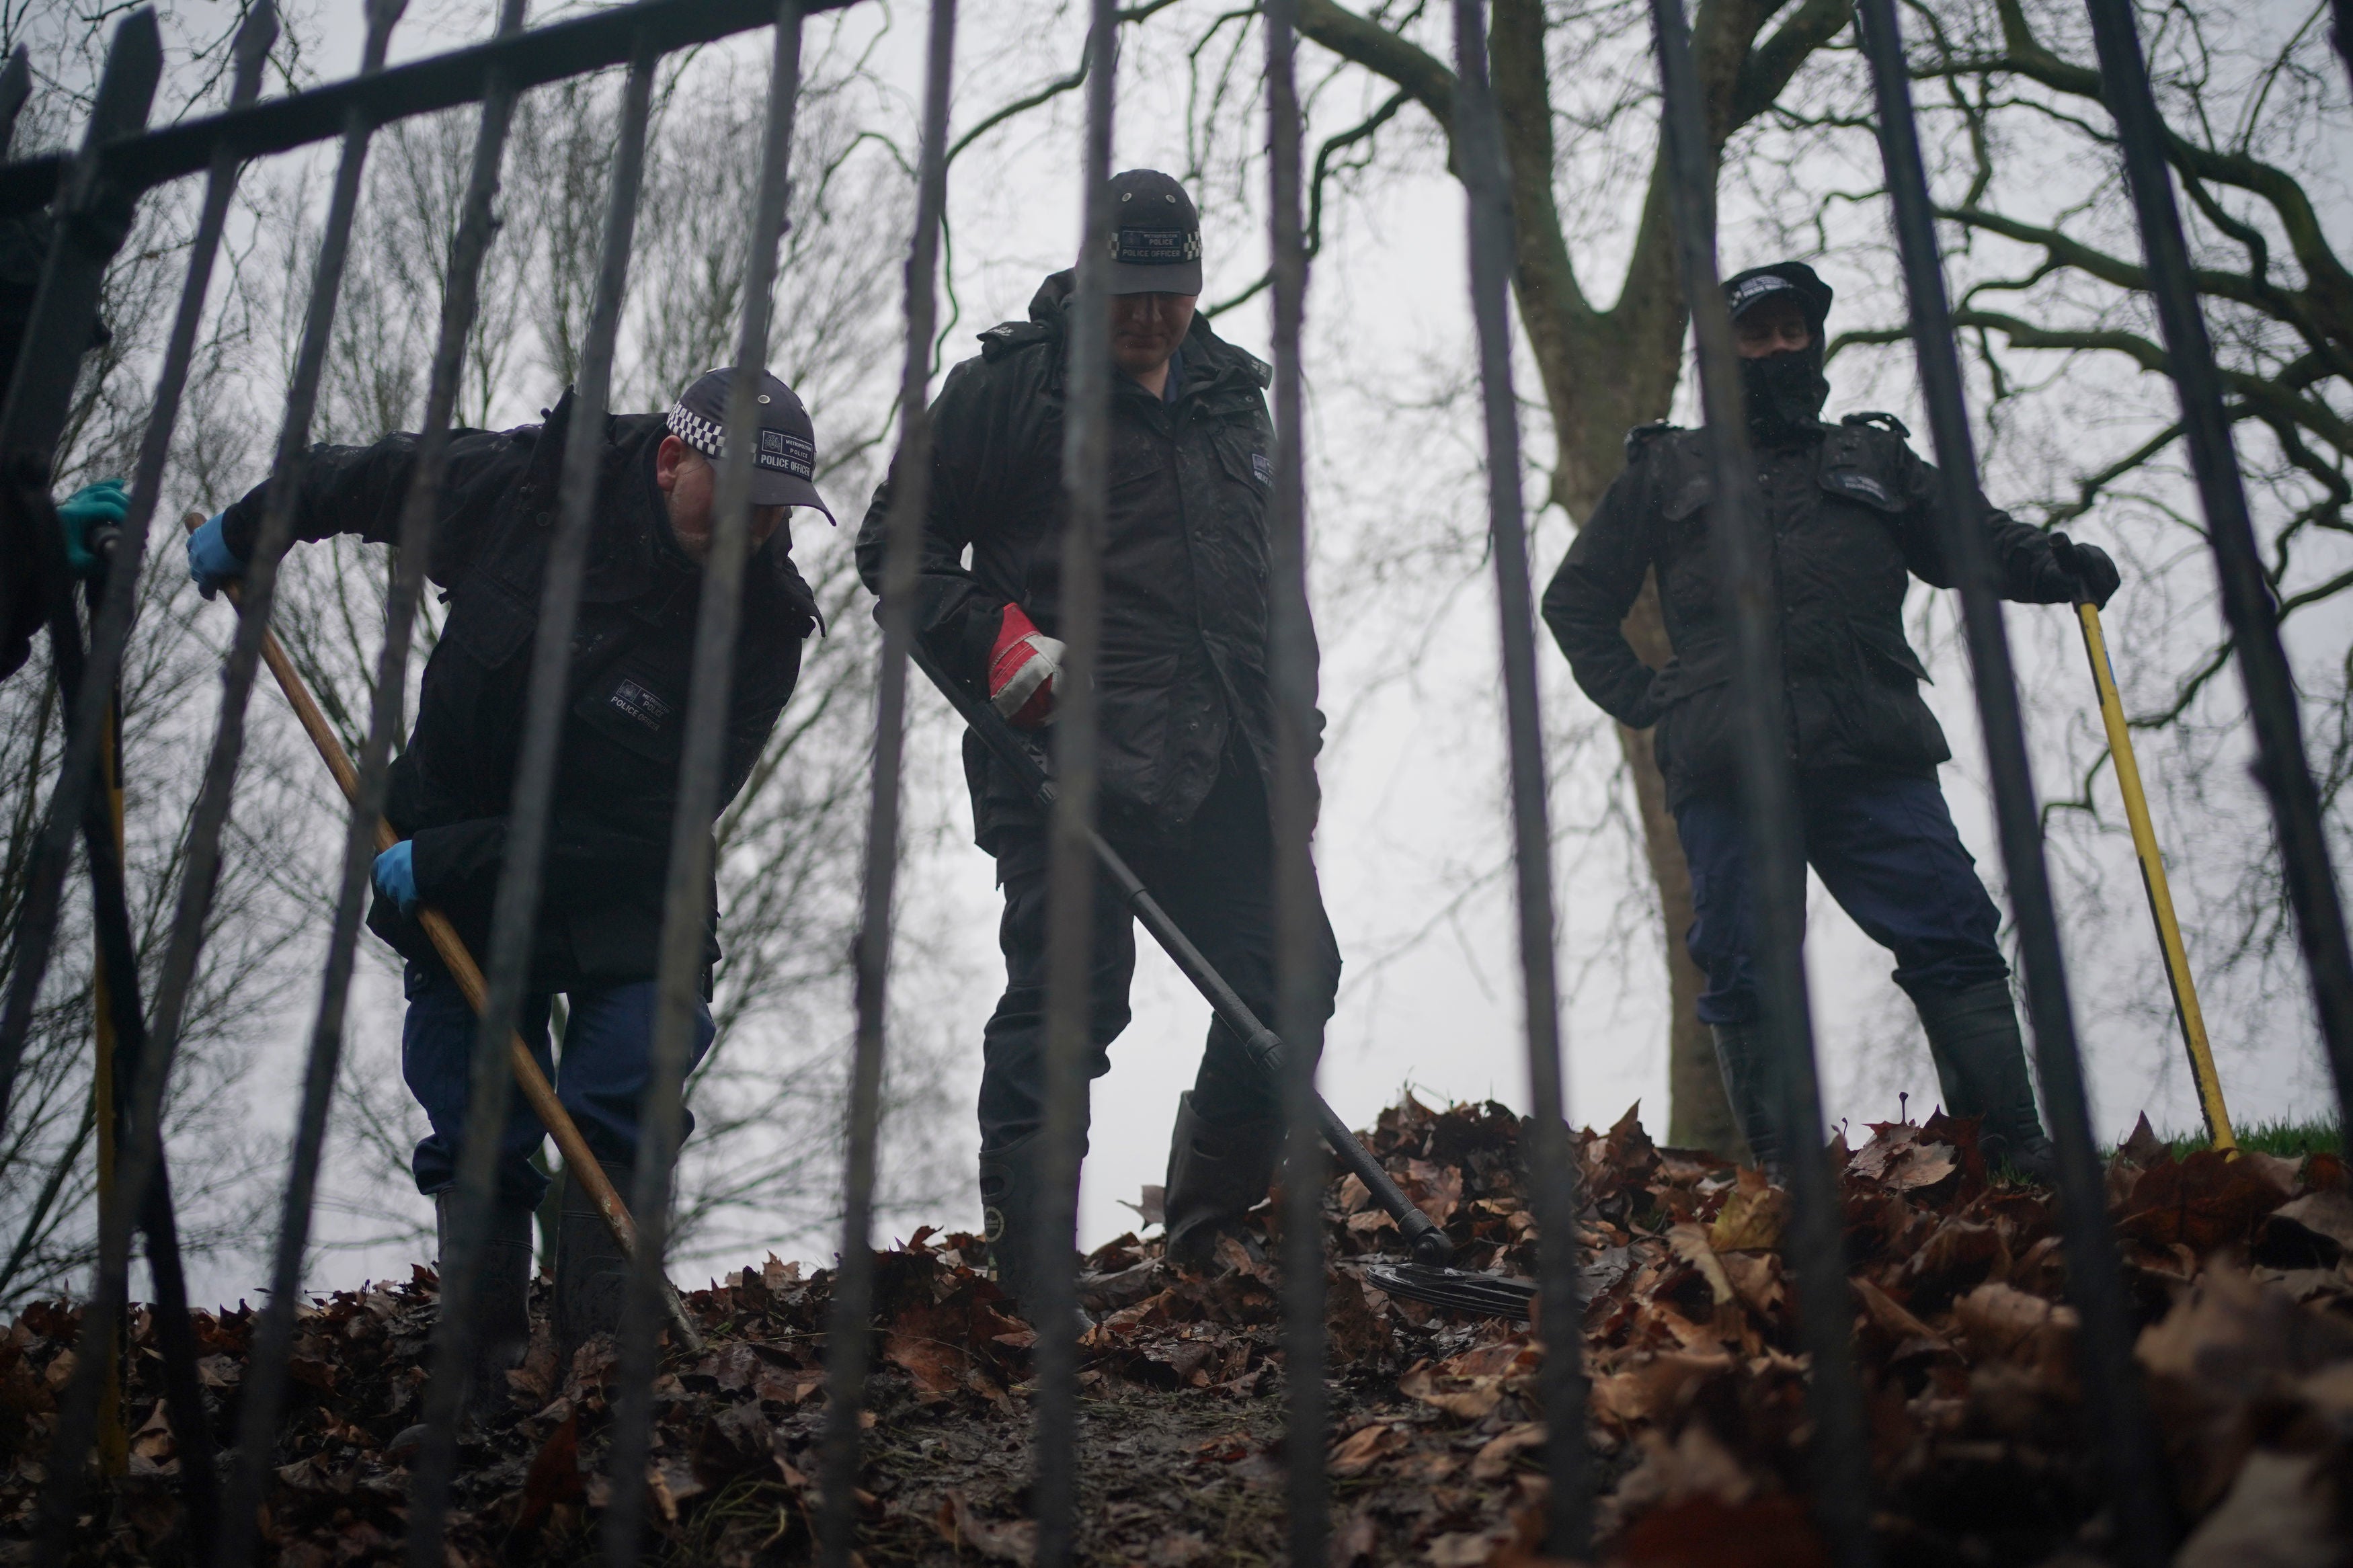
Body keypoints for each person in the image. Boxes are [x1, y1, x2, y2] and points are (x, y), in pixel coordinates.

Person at [189, 368, 830, 1410]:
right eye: (743, 495)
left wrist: (459, 857)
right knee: (478, 1106)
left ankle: (601, 1372)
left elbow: (652, 831)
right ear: (672, 462)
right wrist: (258, 522)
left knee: (624, 1080)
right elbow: (371, 477)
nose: (761, 526)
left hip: (623, 879)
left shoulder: (762, 632)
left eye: (779, 509)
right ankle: (478, 1383)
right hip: (459, 854)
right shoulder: (535, 494)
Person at [856, 169, 1342, 1317]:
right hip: (1060, 750)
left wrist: (1296, 731)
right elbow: (897, 550)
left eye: (1173, 290)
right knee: (1071, 1002)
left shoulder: (1234, 397)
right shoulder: (1008, 391)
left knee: (1292, 982)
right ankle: (1031, 1285)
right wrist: (993, 638)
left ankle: (1204, 1238)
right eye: (1131, 289)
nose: (1152, 315)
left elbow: (1270, 587)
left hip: (1222, 752)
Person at [1543, 261, 2120, 1182]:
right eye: (1755, 332)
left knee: (1954, 927)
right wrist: (1650, 696)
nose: (1777, 346)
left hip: (1872, 750)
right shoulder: (1668, 468)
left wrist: (2052, 563)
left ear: (1813, 343)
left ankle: (2009, 1152)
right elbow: (1575, 602)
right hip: (1728, 769)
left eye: (1791, 331)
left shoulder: (1874, 460)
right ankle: (1786, 1182)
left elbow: (1972, 535)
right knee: (1740, 964)